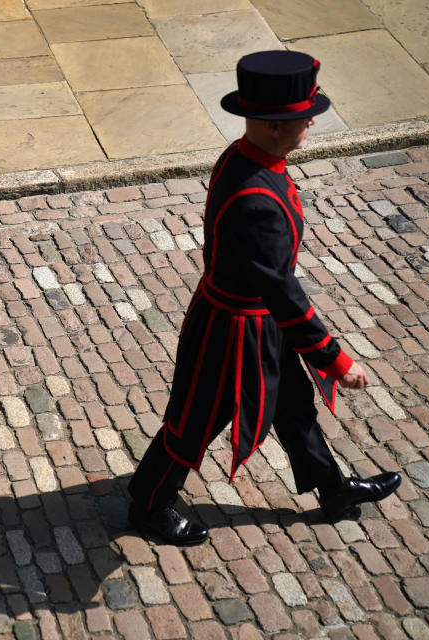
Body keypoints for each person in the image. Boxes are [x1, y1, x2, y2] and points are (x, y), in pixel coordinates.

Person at [125, 50, 401, 546]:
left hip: (255, 321)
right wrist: (336, 359)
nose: (311, 126)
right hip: (230, 330)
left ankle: (333, 489)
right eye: (306, 119)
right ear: (275, 126)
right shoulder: (257, 202)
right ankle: (149, 502)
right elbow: (284, 293)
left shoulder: (244, 154)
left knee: (292, 404)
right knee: (195, 421)